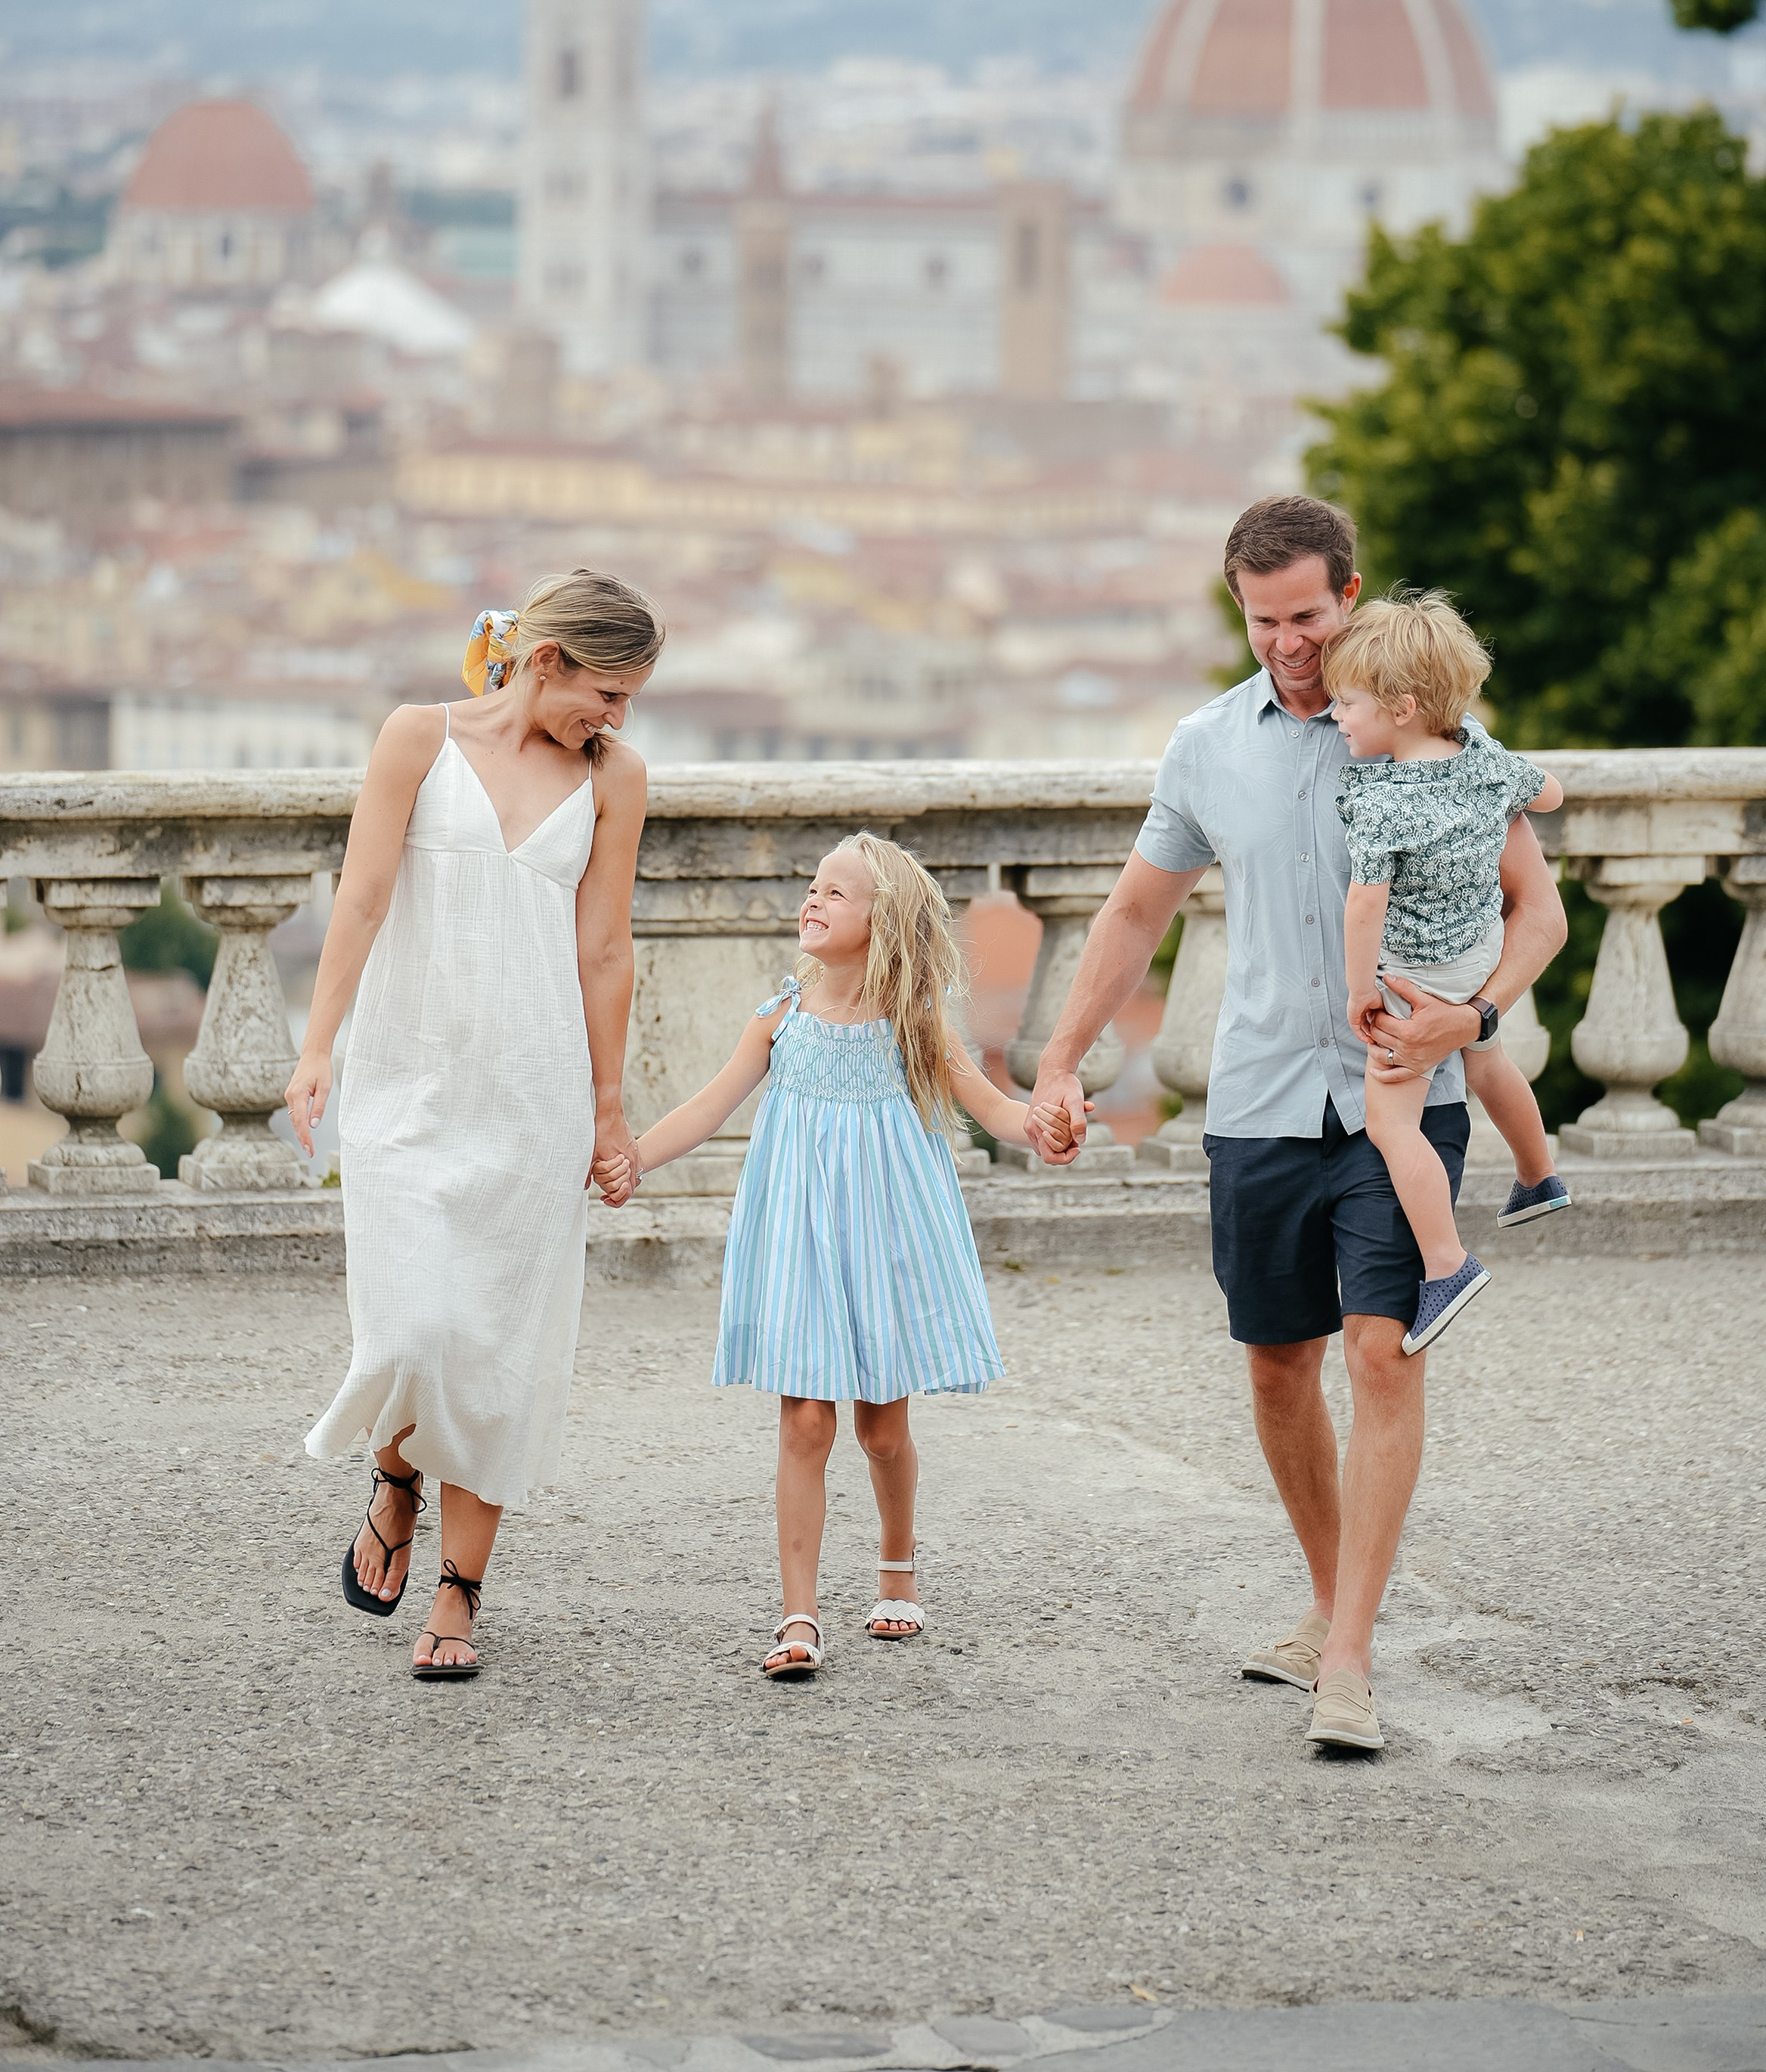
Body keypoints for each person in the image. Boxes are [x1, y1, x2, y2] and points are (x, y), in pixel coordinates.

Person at [1025, 495, 1566, 1753]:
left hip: (1407, 1095)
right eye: (1263, 620)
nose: (1288, 642)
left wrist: (1472, 1018)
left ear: (1351, 592)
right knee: (1279, 1365)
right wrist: (1061, 1056)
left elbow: (1536, 913)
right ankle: (1333, 1606)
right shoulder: (1207, 742)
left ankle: (1350, 1655)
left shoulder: (1443, 734)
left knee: (1383, 1353)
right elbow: (1131, 912)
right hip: (1262, 1094)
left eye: (1309, 616)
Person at [291, 567, 663, 1680]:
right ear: (546, 660)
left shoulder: (617, 780)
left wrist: (607, 1110)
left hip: (535, 1097)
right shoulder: (416, 737)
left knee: (498, 1352)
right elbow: (357, 900)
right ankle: (396, 1474)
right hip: (407, 1083)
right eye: (609, 691)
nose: (617, 718)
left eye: (631, 700)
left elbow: (606, 951)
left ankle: (457, 1597)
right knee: (412, 1334)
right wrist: (319, 1050)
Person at [618, 833, 1052, 1680]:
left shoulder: (914, 1021)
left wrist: (1042, 1125)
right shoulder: (780, 1018)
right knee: (806, 1422)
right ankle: (798, 1614)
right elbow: (707, 1107)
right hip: (799, 1235)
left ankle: (896, 1561)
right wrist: (631, 1156)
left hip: (885, 1233)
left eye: (835, 893)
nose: (812, 901)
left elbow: (992, 1108)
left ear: (880, 920)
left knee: (882, 1431)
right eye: (811, 888)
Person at [1323, 591, 1569, 1357]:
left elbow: (1364, 906)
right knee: (1487, 1056)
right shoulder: (1481, 753)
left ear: (1398, 707)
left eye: (1347, 703)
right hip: (1474, 957)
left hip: (1411, 975)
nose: (1335, 716)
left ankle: (1444, 1264)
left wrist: (1360, 989)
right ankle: (1537, 1174)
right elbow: (1550, 793)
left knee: (1392, 1124)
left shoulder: (1386, 803)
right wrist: (1501, 789)